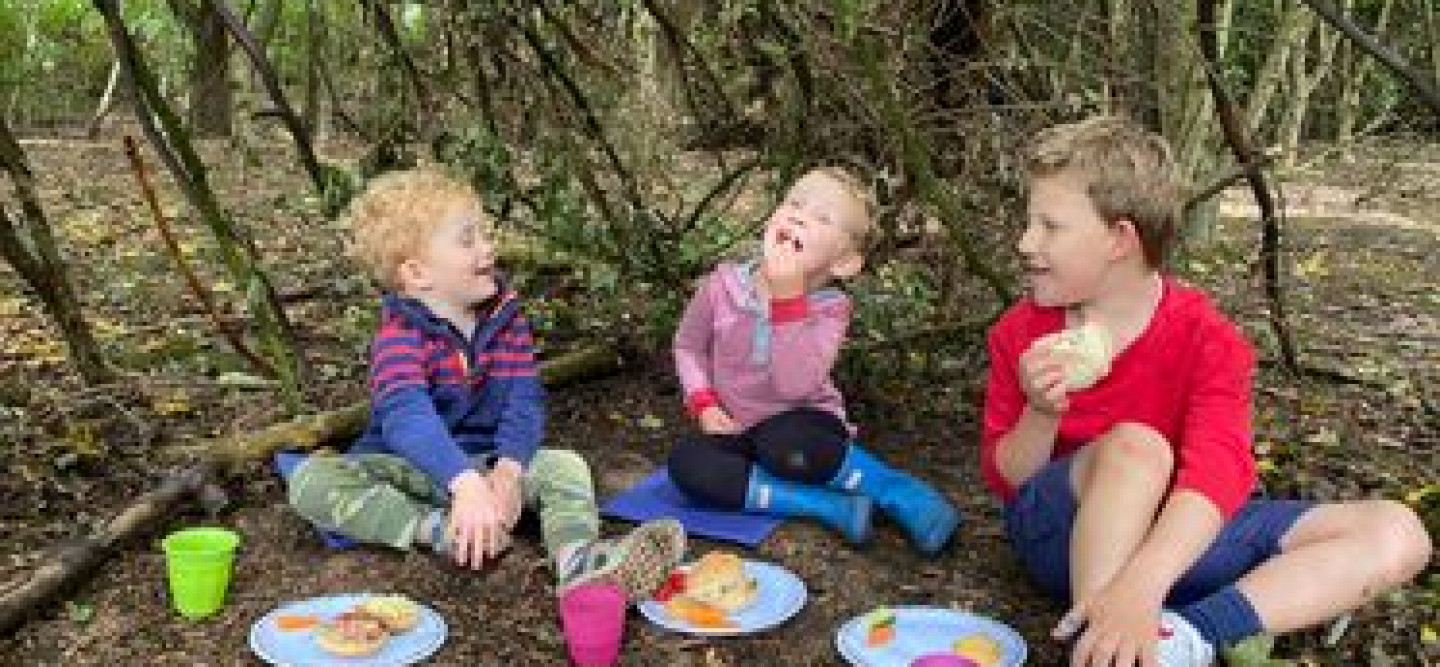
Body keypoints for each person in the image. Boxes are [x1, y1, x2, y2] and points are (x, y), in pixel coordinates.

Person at [982, 116, 1432, 666]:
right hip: (1060, 534)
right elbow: (1008, 478)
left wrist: (1143, 587)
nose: (1026, 242)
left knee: (1398, 531)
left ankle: (1181, 639)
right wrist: (1040, 412)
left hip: (1175, 547)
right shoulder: (1022, 332)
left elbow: (1219, 471)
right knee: (1137, 448)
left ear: (1120, 239)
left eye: (1049, 226)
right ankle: (1098, 641)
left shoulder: (1208, 340)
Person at [284, 168, 686, 635]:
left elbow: (525, 400)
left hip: (491, 465)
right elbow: (406, 419)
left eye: (484, 234)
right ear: (417, 272)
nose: (487, 250)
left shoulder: (505, 319)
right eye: (467, 240)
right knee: (310, 479)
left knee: (566, 466)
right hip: (410, 472)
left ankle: (577, 559)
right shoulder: (398, 339)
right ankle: (440, 531)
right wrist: (465, 487)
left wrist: (509, 474)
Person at [668, 166, 960, 555]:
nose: (798, 215)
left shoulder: (829, 310)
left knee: (784, 443)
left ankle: (892, 489)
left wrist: (788, 301)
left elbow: (793, 386)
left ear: (844, 264)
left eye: (822, 218)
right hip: (737, 429)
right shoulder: (722, 286)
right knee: (689, 464)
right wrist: (703, 401)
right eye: (794, 202)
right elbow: (688, 346)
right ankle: (828, 507)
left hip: (804, 427)